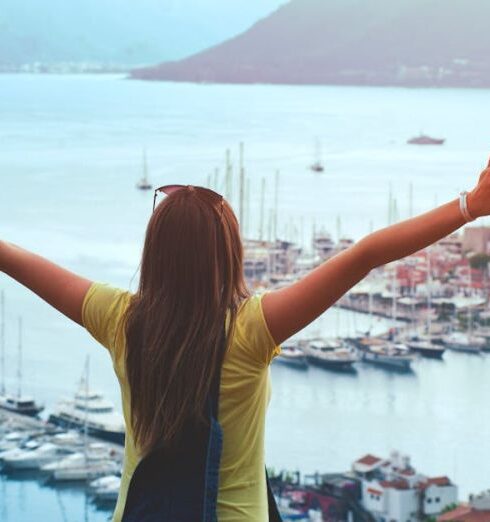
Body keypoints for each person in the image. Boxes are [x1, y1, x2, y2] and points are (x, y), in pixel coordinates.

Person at [1, 159, 489, 521]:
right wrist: (470, 204)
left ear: (156, 252)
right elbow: (365, 255)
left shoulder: (118, 318)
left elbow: (16, 260)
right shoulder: (251, 329)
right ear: (227, 251)